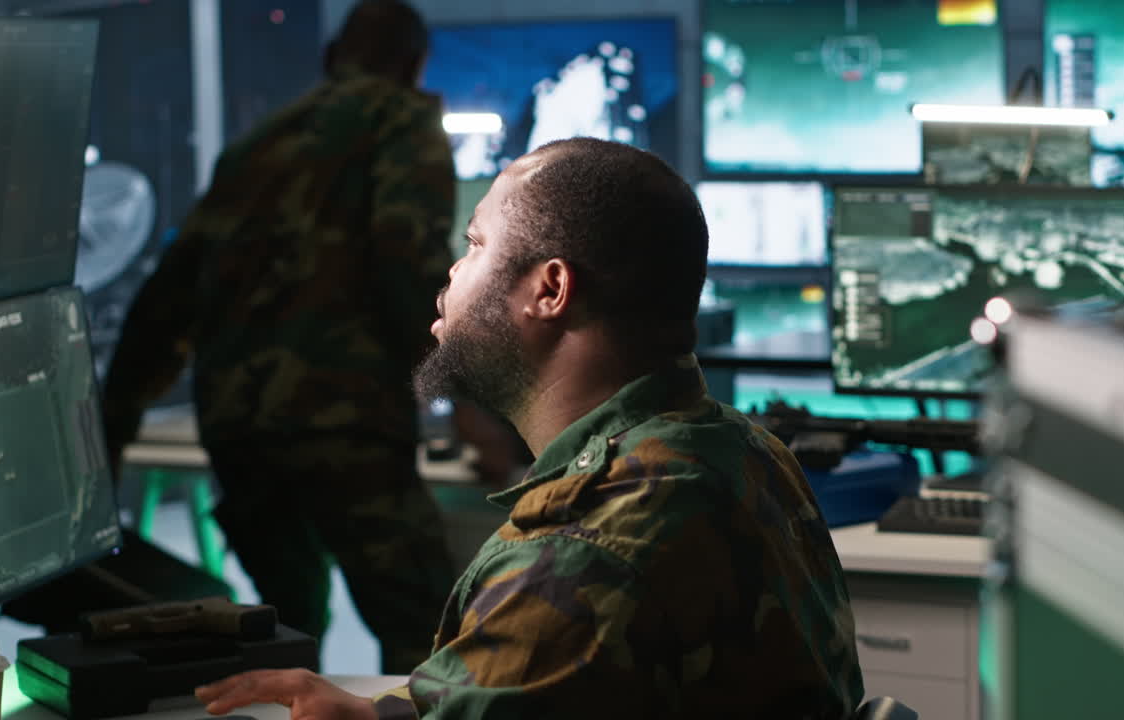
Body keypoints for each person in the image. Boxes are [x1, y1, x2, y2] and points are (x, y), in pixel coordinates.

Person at [195, 138, 864, 718]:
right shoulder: (743, 451)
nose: (451, 276)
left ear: (549, 290)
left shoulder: (586, 552)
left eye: (476, 245)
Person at [98, 0, 456, 673]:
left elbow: (169, 296)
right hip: (343, 420)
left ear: (331, 59)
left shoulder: (256, 147)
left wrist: (110, 438)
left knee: (286, 634)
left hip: (239, 430)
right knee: (429, 634)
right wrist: (470, 398)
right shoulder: (402, 117)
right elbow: (406, 258)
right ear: (413, 64)